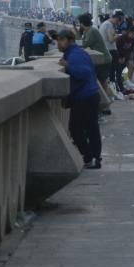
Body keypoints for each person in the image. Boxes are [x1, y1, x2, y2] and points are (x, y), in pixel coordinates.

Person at [57, 28, 102, 169]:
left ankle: (90, 156)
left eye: (61, 40)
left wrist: (68, 65)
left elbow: (84, 73)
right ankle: (93, 157)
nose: (58, 43)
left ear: (70, 40)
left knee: (77, 129)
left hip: (85, 97)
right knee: (90, 128)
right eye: (57, 40)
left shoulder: (75, 55)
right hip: (89, 95)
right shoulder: (74, 53)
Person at [100, 11, 125, 94]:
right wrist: (117, 36)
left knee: (112, 70)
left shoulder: (104, 24)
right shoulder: (109, 25)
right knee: (116, 70)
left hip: (106, 49)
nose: (117, 24)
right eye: (117, 22)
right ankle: (117, 89)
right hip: (111, 50)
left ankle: (115, 88)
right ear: (115, 19)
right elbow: (111, 39)